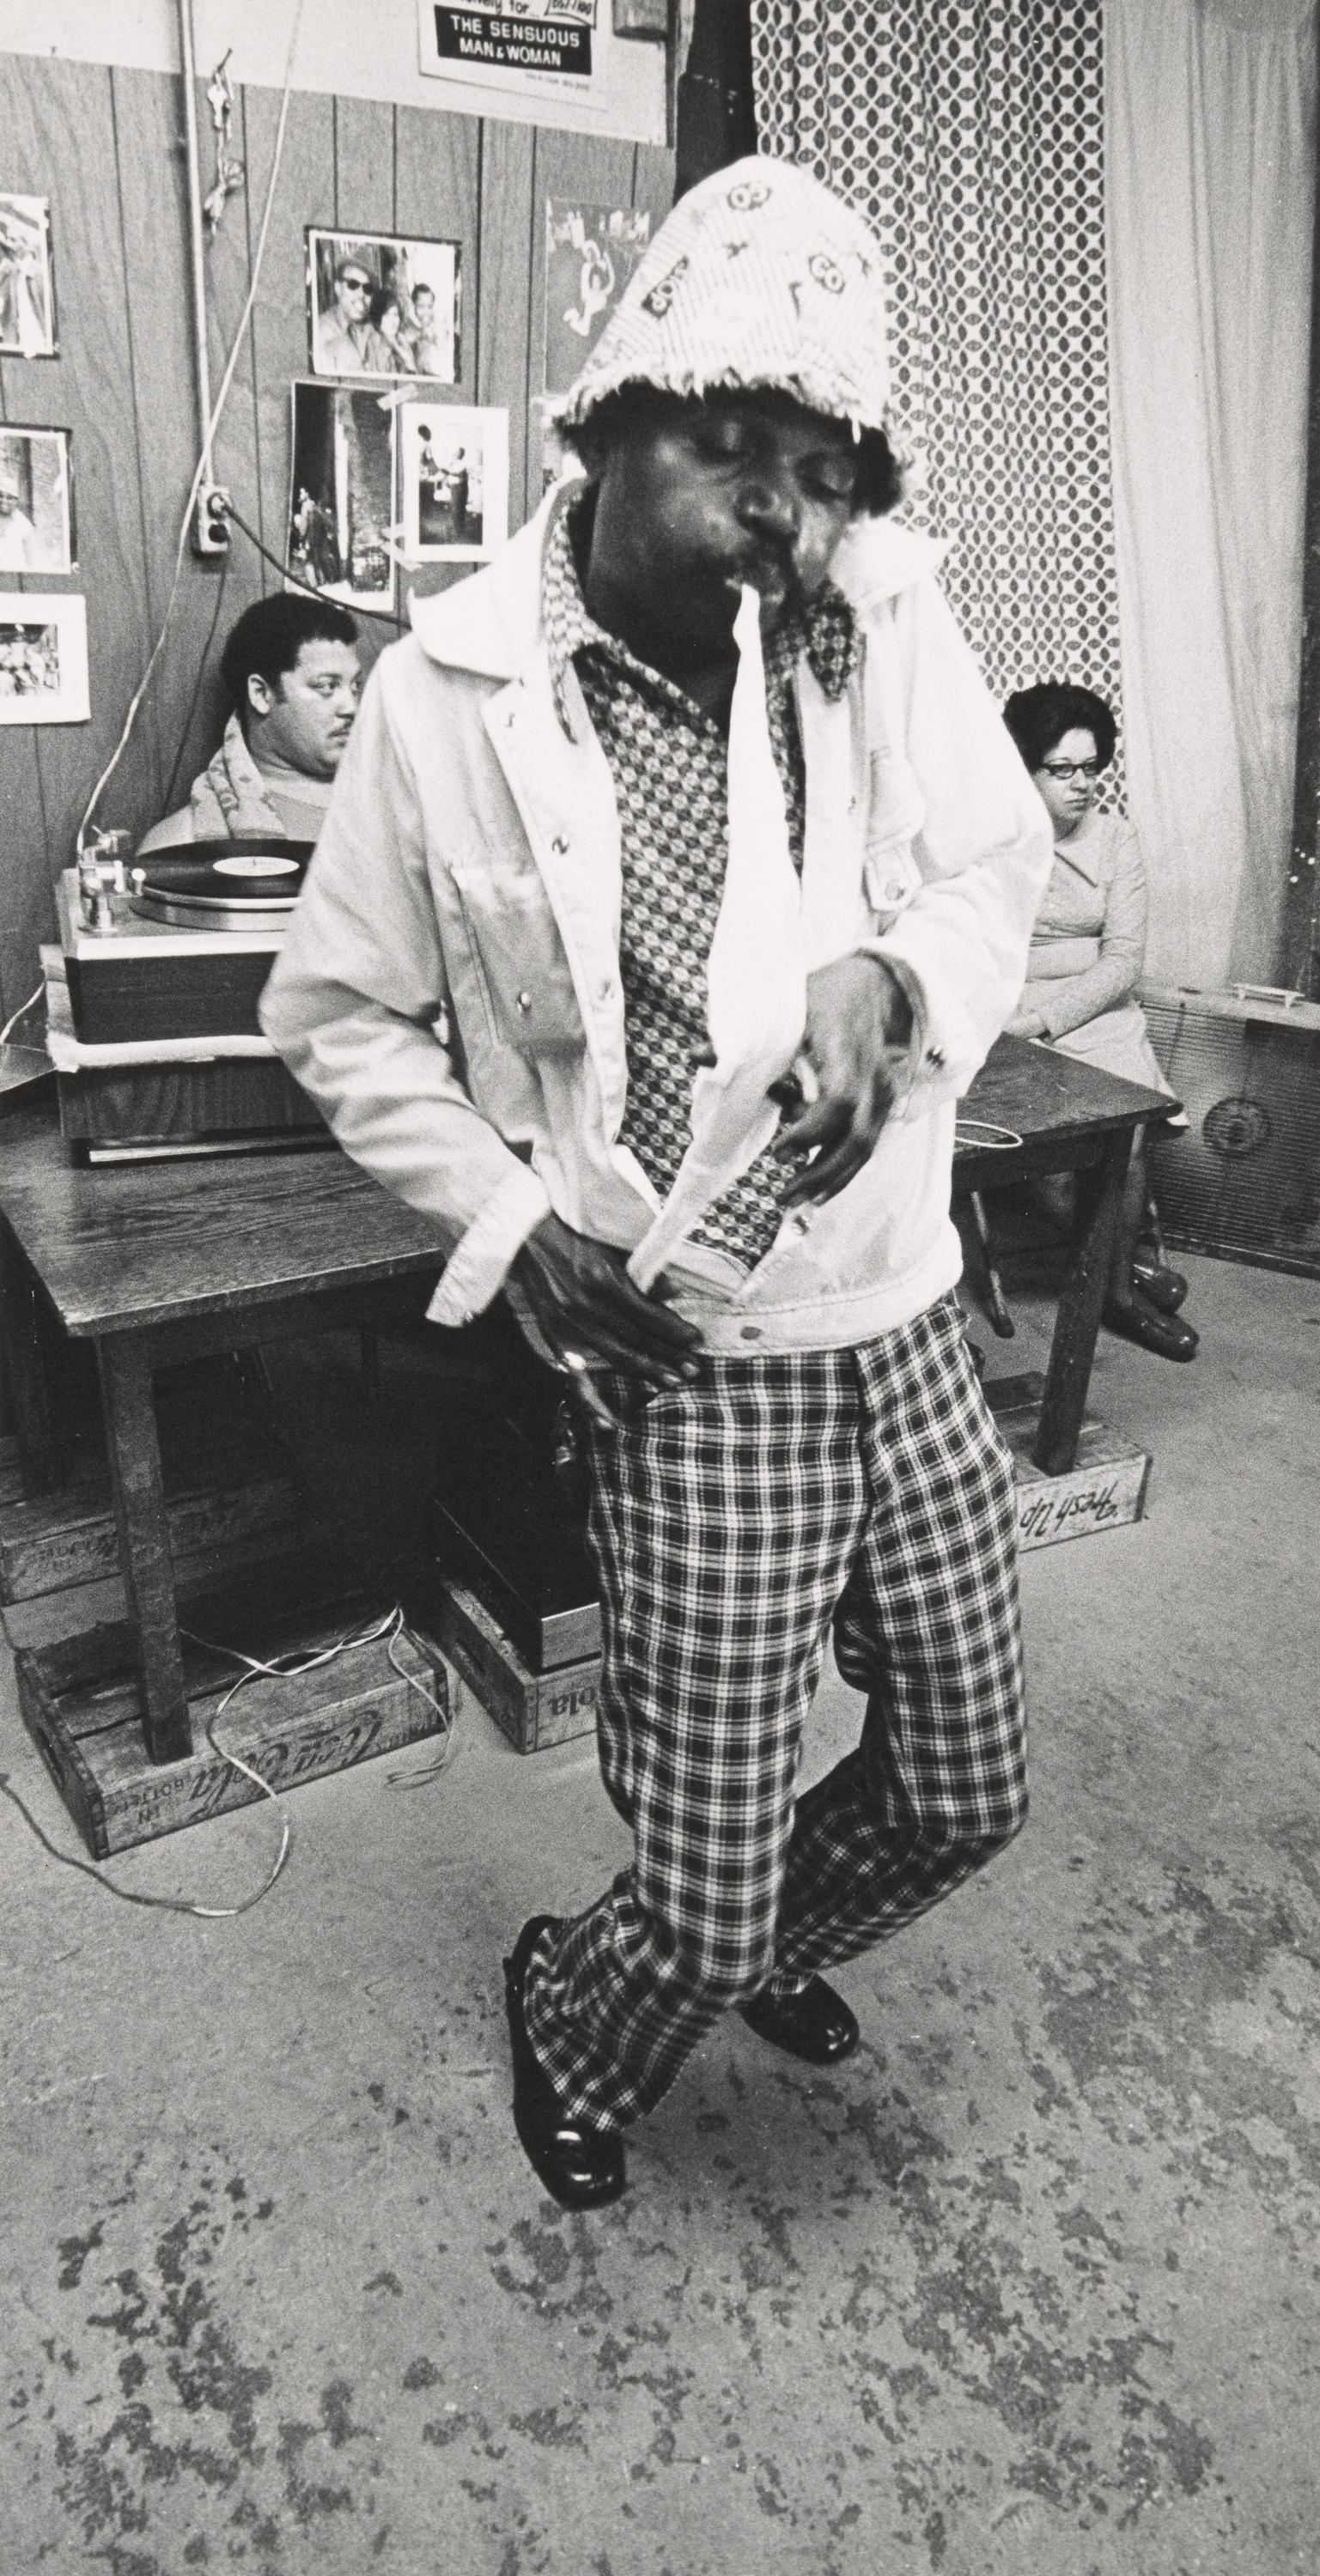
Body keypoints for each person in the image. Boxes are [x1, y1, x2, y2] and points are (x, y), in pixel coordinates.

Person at [262, 157, 1054, 2212]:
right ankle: (593, 1997)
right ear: (608, 416)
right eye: (728, 442)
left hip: (888, 1296)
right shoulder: (438, 700)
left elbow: (988, 861)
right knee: (690, 1897)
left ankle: (747, 1932)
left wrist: (897, 970)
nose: (772, 510)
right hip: (679, 1350)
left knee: (966, 1784)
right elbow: (337, 1012)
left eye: (811, 469)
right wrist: (510, 1230)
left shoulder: (872, 614)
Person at [1001, 682, 1196, 1361]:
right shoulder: (993, 842)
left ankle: (1113, 1294)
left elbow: (1121, 962)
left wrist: (1044, 1015)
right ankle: (1123, 1267)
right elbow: (981, 954)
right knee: (1054, 1164)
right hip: (1008, 1015)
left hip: (1094, 1015)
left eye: (1091, 767)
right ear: (1023, 768)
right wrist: (1016, 1016)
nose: (1081, 784)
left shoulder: (1115, 839)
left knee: (1125, 1142)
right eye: (1061, 770)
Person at [137, 593, 362, 853]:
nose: (352, 708)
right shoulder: (179, 844)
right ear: (261, 694)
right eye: (326, 686)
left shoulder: (397, 801)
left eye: (355, 686)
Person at [315, 256, 392, 376]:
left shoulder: (371, 333)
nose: (361, 295)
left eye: (368, 288)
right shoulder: (322, 332)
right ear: (338, 288)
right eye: (353, 284)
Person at [0, 463, 37, 570]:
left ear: (16, 500)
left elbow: (31, 563)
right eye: (1, 496)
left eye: (10, 497)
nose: (4, 501)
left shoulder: (24, 526)